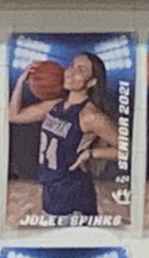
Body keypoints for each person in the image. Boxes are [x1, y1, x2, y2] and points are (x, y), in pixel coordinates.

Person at [8, 53, 118, 217]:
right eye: (71, 65)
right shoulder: (55, 104)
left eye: (80, 70)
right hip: (50, 191)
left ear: (92, 82)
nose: (70, 72)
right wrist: (20, 82)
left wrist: (92, 153)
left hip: (74, 194)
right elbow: (14, 116)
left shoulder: (90, 116)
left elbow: (129, 149)